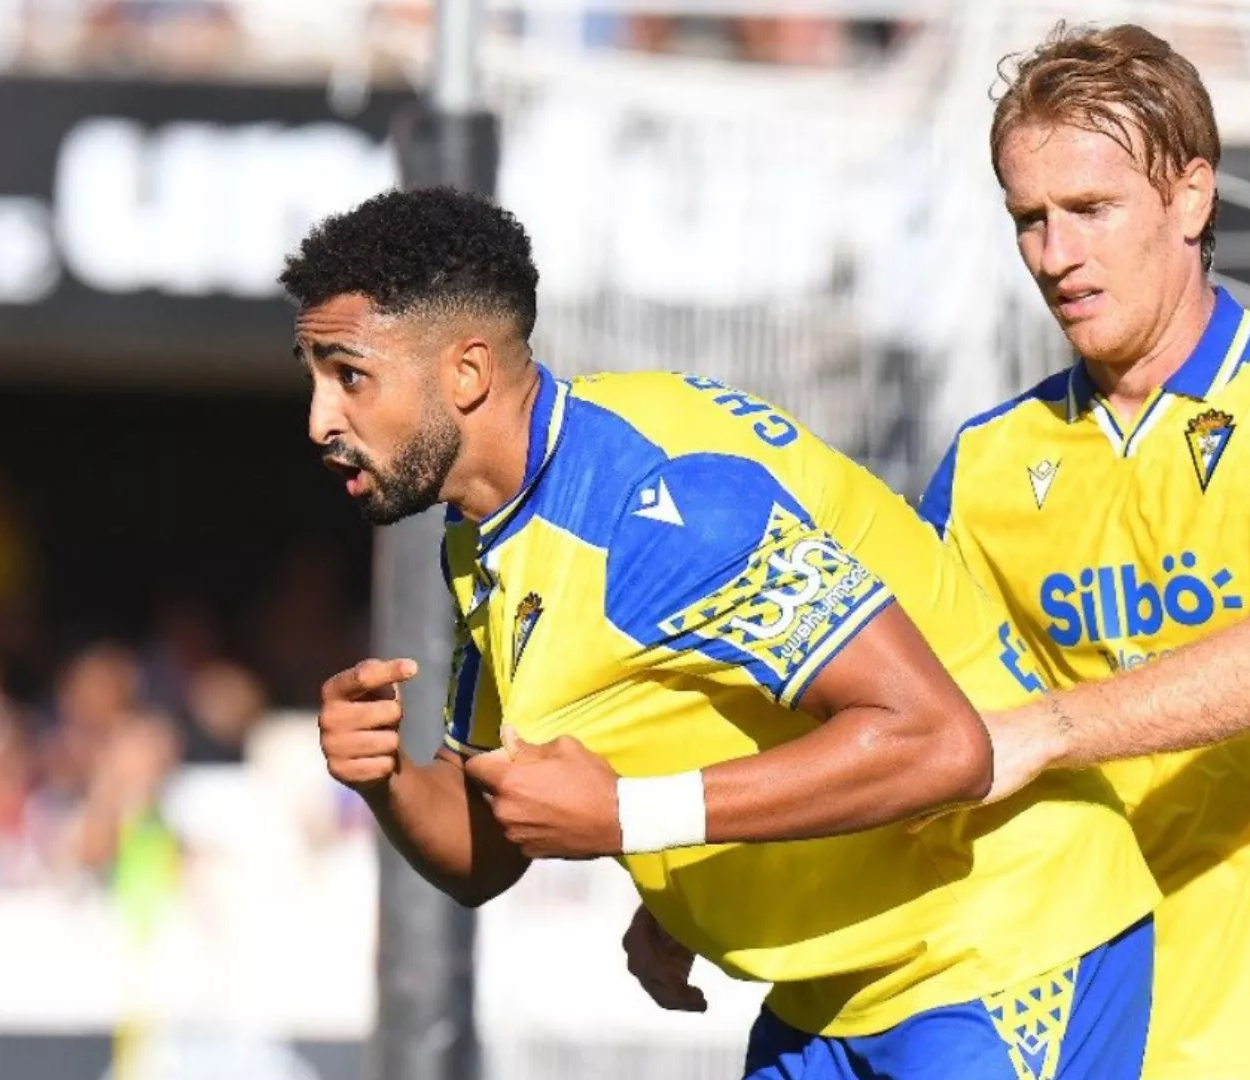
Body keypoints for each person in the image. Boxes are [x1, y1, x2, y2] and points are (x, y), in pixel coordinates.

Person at [626, 22, 1250, 1080]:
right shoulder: (985, 462)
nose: (1057, 257)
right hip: (1082, 1022)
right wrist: (705, 882)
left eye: (1092, 212)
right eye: (1030, 221)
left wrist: (1040, 731)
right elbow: (875, 700)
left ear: (1193, 197)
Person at [284, 186, 1161, 1080]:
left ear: (466, 374)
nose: (319, 420)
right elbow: (490, 842)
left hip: (997, 949)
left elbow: (942, 744)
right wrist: (387, 776)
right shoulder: (487, 536)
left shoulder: (667, 505)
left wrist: (632, 816)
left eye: (349, 375)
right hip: (832, 990)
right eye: (312, 374)